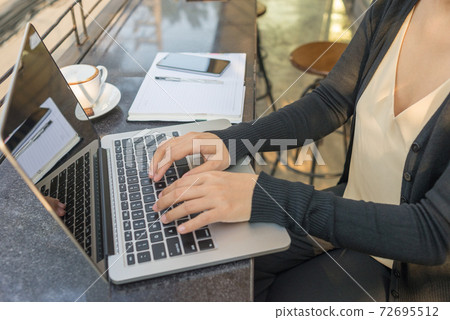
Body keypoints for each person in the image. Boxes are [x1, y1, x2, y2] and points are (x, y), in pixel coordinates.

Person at [146, 0, 450, 302]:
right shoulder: (394, 7)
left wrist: (267, 197)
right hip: (349, 207)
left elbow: (432, 232)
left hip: (408, 272)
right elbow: (331, 101)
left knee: (244, 290)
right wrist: (233, 140)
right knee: (214, 270)